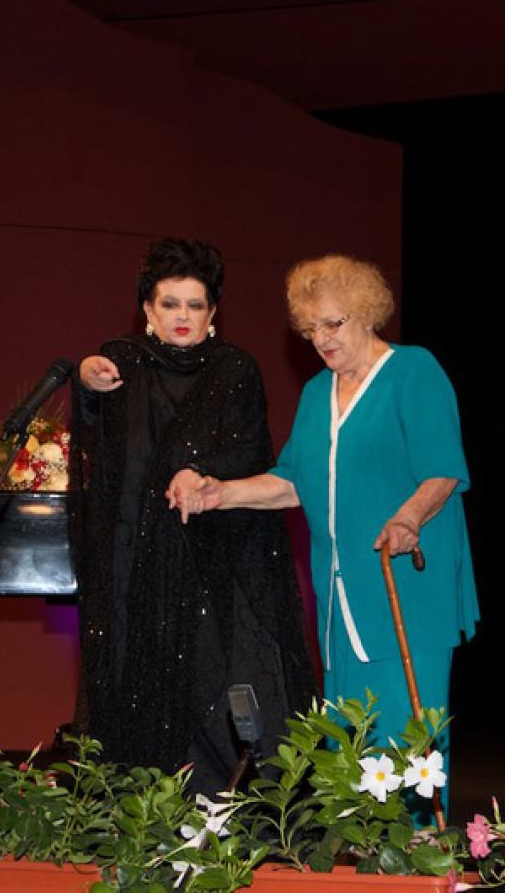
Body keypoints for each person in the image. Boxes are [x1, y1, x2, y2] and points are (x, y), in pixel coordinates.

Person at [171, 254, 478, 802]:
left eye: (333, 323)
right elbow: (294, 480)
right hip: (340, 592)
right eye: (311, 328)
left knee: (407, 732)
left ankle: (416, 845)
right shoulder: (317, 393)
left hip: (405, 580)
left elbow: (443, 470)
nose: (321, 339)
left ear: (367, 313)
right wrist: (221, 493)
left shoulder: (414, 371)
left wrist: (408, 517)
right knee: (349, 736)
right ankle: (356, 844)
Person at [69, 237, 314, 793]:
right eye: (170, 303)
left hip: (208, 563)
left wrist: (200, 472)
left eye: (195, 305)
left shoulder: (234, 370)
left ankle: (224, 810)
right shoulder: (121, 364)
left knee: (212, 686)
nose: (182, 316)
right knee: (132, 683)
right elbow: (97, 453)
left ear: (213, 313)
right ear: (148, 310)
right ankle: (139, 812)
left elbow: (250, 453)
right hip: (133, 566)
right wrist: (84, 386)